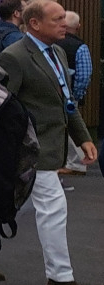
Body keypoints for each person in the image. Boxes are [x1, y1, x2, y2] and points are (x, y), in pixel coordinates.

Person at [0, 0, 101, 285]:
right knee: (54, 207)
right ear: (34, 23)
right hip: (29, 149)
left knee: (21, 201)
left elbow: (66, 102)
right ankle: (60, 277)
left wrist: (83, 137)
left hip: (52, 146)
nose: (64, 23)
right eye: (56, 19)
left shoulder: (57, 52)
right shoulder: (14, 57)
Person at [57, 10, 93, 176]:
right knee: (72, 127)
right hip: (69, 94)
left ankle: (66, 161)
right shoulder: (79, 46)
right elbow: (85, 74)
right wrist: (77, 94)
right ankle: (77, 163)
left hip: (53, 93)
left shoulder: (54, 45)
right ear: (78, 26)